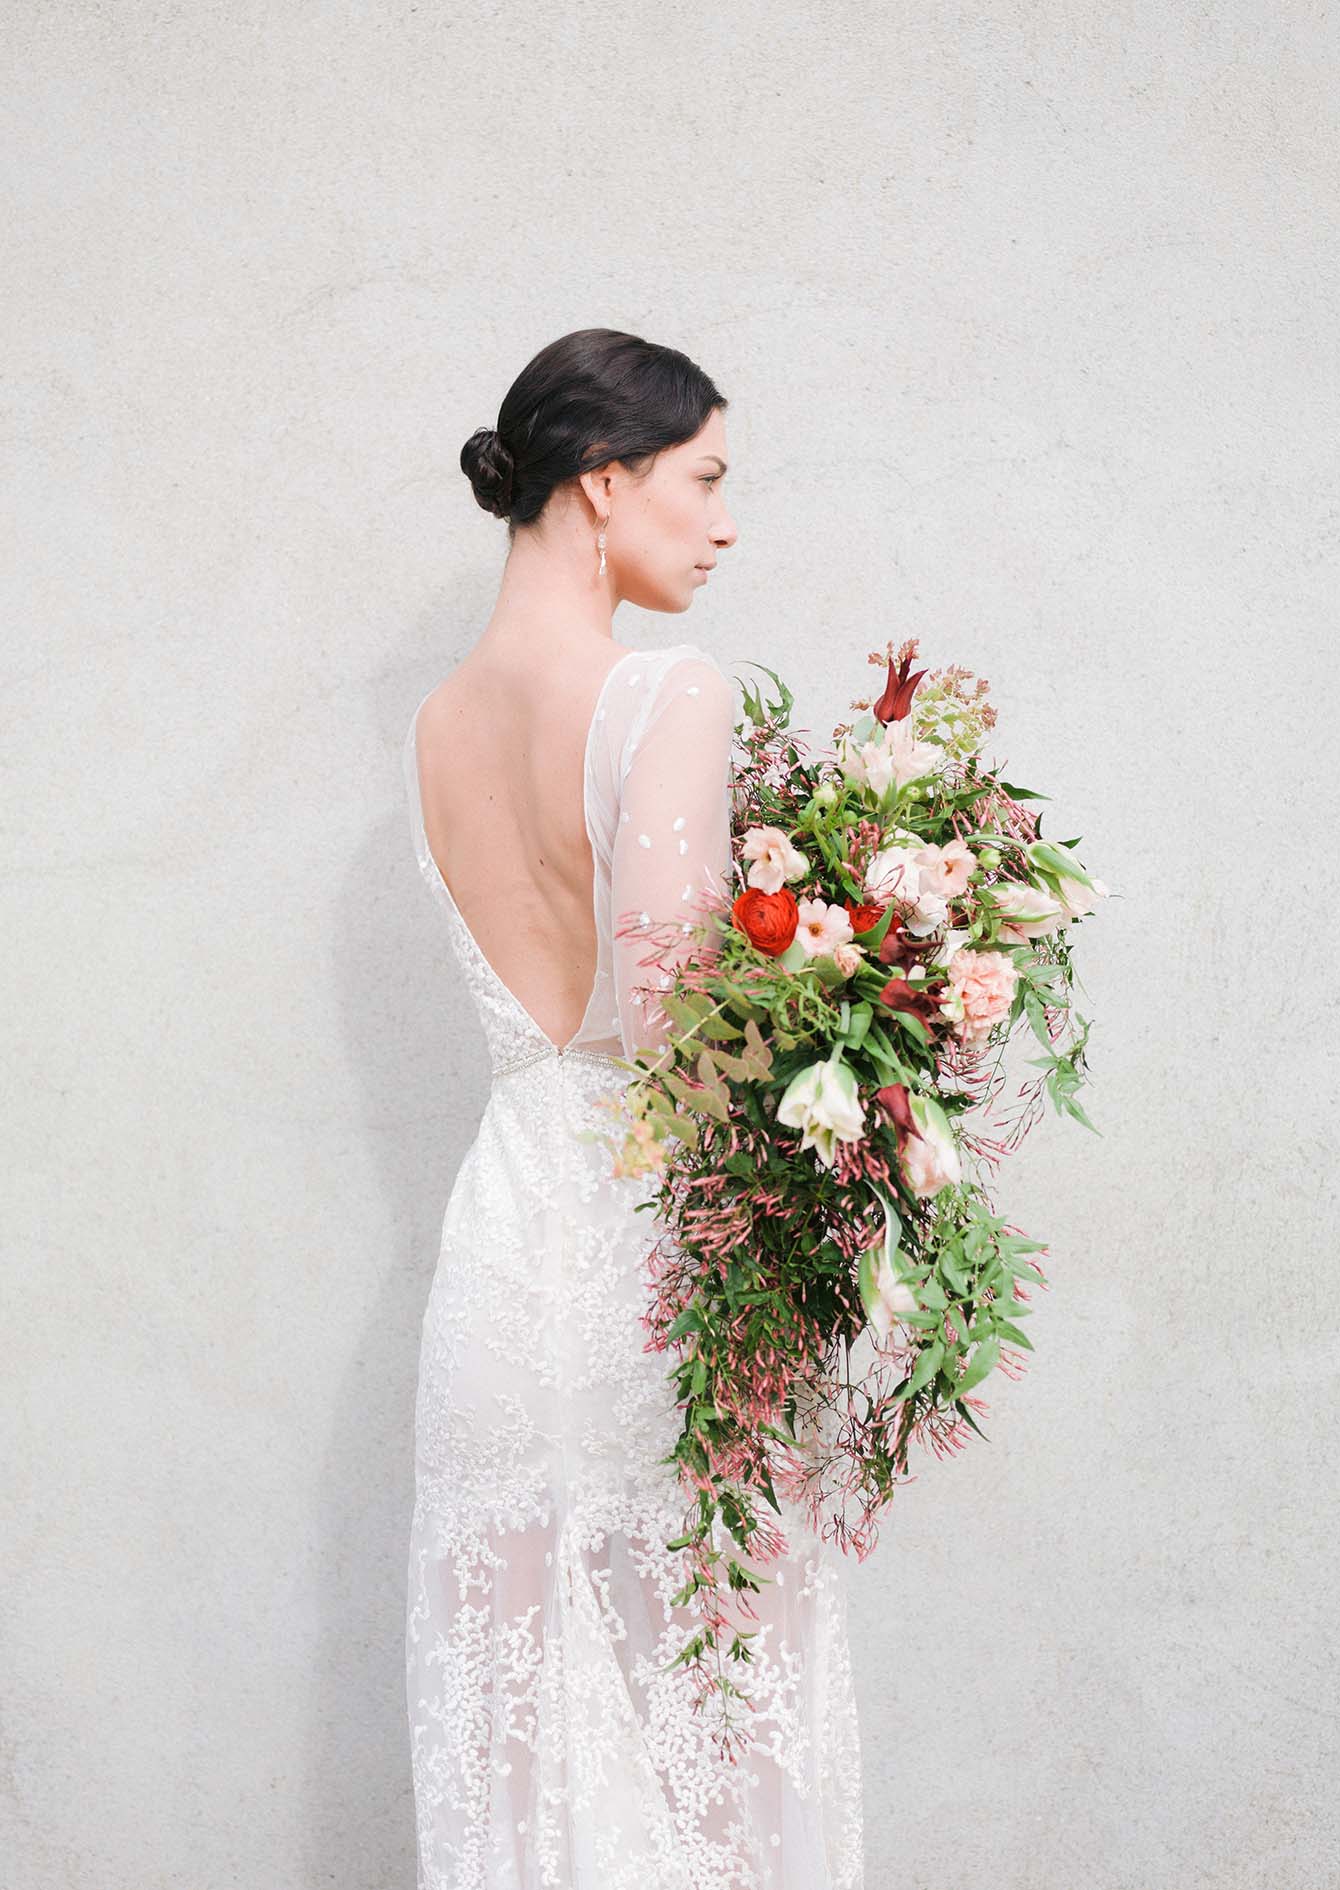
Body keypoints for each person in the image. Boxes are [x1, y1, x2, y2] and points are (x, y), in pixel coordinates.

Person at [400, 328, 864, 1888]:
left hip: (502, 1242)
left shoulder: (435, 726)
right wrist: (842, 1082)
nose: (724, 523)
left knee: (524, 1726)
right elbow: (672, 1023)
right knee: (714, 1719)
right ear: (605, 483)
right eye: (705, 478)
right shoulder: (665, 691)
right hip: (651, 1251)